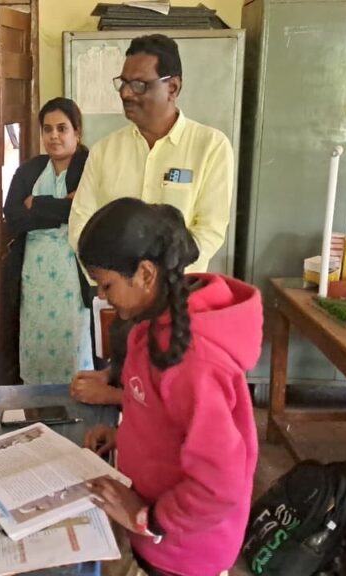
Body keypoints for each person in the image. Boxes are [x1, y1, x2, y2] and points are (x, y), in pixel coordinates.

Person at [77, 198, 261, 576]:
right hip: (158, 530)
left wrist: (147, 518)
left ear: (146, 274)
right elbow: (163, 413)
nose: (101, 296)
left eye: (106, 284)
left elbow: (220, 486)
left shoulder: (195, 361)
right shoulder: (152, 323)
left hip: (183, 550)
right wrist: (127, 436)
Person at [67, 34, 235, 407]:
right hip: (122, 304)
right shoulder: (105, 151)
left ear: (173, 87)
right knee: (126, 403)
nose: (127, 93)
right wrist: (114, 285)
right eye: (123, 83)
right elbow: (80, 225)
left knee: (170, 402)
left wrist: (153, 285)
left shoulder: (210, 147)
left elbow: (208, 231)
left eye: (140, 84)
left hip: (180, 311)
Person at [2, 97, 93, 385]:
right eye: (48, 129)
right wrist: (62, 208)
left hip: (74, 277)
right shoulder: (30, 170)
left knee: (75, 350)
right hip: (35, 276)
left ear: (77, 132)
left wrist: (37, 204)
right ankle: (38, 404)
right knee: (36, 345)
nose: (54, 136)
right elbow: (13, 215)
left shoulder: (91, 168)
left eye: (62, 128)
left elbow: (86, 213)